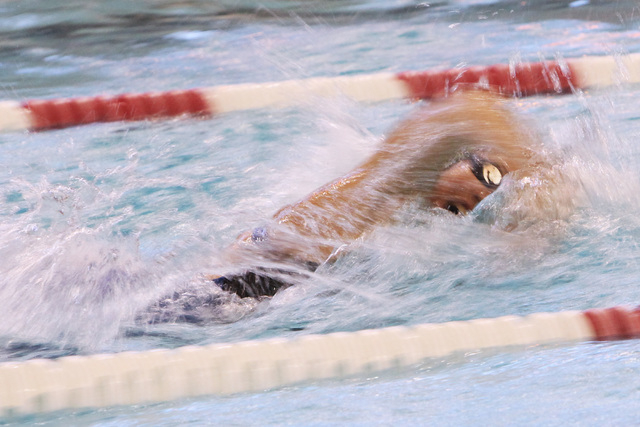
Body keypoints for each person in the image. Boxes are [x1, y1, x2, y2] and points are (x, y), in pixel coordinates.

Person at [209, 90, 539, 299]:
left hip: (248, 303)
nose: (481, 195)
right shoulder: (381, 187)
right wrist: (543, 178)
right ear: (449, 157)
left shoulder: (401, 235)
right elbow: (470, 110)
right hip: (219, 290)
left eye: (487, 197)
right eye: (487, 174)